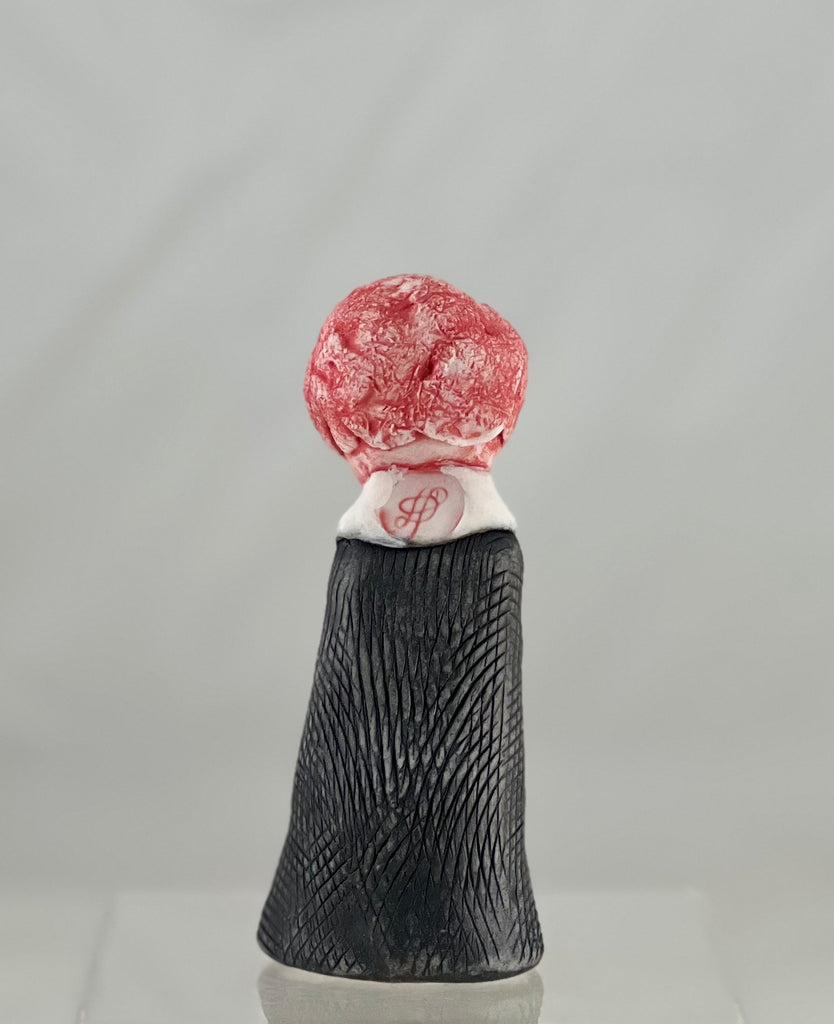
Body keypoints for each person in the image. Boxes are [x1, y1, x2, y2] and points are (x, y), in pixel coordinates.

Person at [257, 275, 543, 980]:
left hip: (388, 848)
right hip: (439, 852)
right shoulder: (487, 555)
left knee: (428, 796)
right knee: (446, 799)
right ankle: (467, 932)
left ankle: (362, 929)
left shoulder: (402, 554)